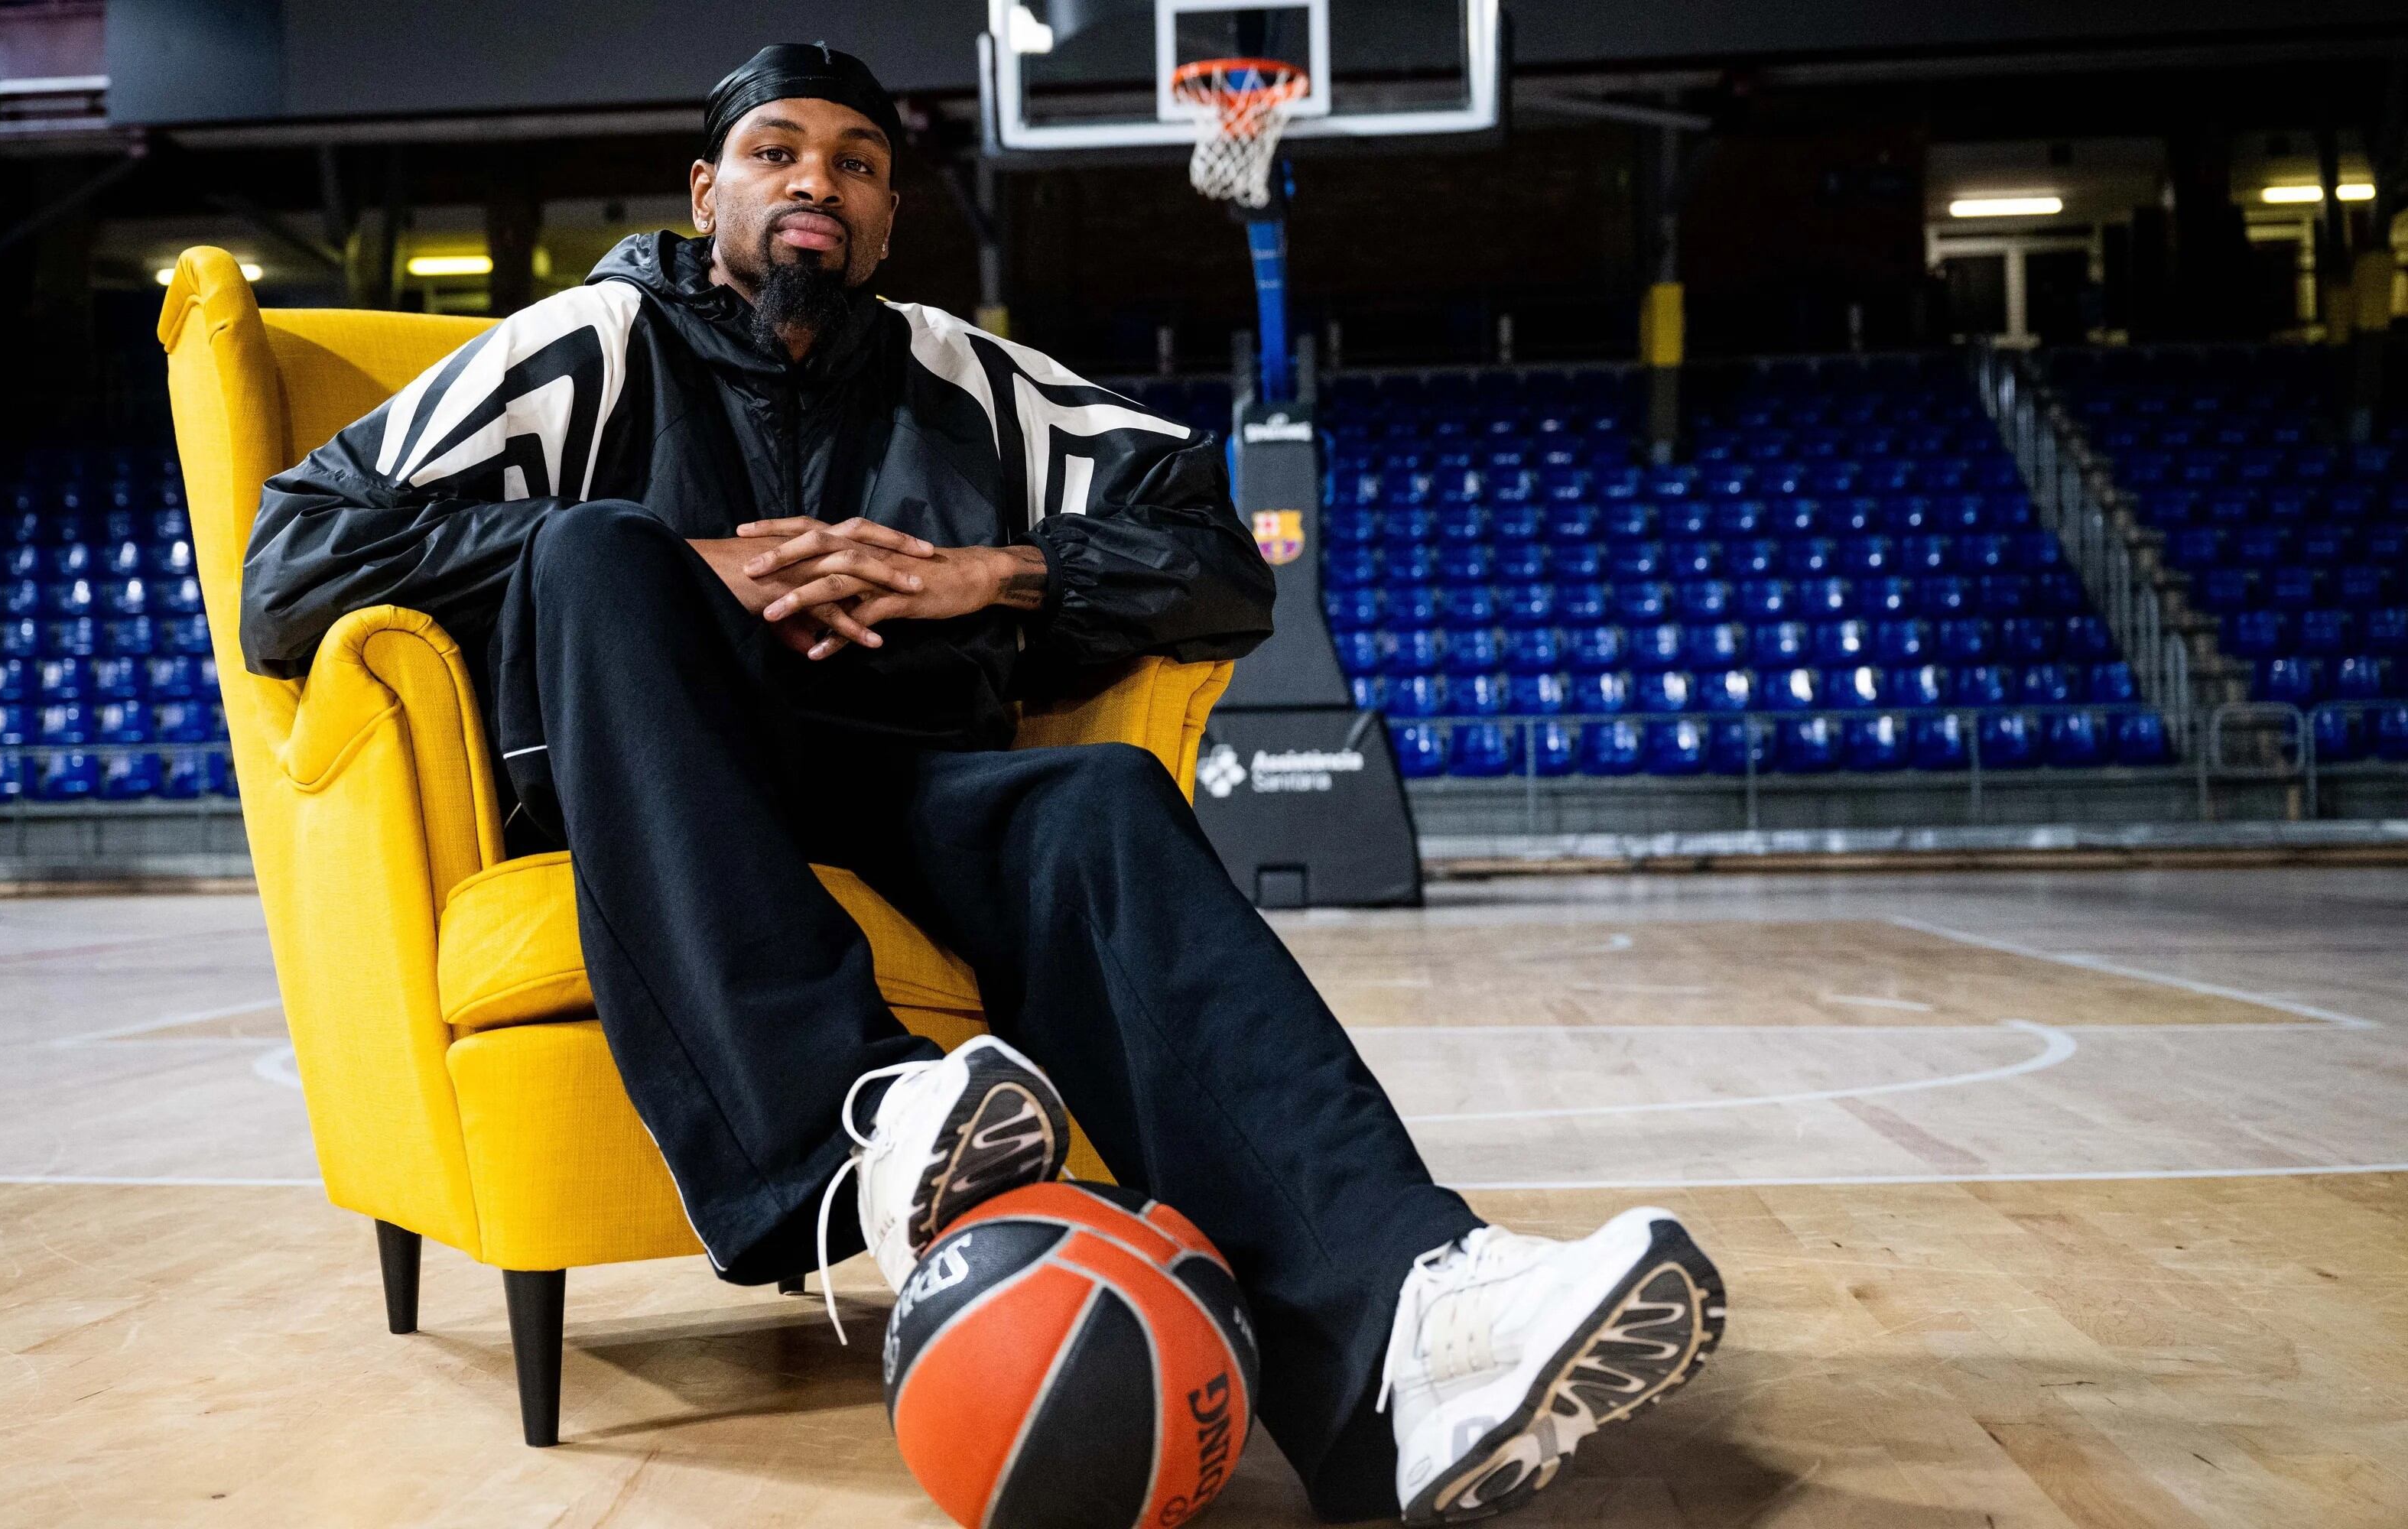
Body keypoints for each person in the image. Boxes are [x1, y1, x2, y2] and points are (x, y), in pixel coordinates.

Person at [239, 43, 1724, 1524]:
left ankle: (1407, 1330)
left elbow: (1216, 557)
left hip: (897, 778)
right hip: (660, 780)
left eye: (858, 164)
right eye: (777, 151)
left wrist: (991, 572)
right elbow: (292, 556)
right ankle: (857, 1129)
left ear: (890, 220)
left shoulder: (966, 377)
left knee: (1096, 801)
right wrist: (694, 564)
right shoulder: (589, 343)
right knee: (595, 548)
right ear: (705, 193)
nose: (818, 180)